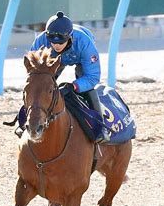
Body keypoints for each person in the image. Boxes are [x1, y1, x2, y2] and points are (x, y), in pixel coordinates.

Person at [31, 11, 110, 143]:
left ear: (69, 37)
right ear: (47, 36)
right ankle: (23, 120)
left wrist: (75, 85)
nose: (56, 45)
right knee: (38, 87)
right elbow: (33, 74)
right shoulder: (40, 42)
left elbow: (92, 77)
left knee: (86, 89)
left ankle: (101, 128)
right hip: (53, 60)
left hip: (79, 58)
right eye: (52, 42)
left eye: (61, 42)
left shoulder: (85, 43)